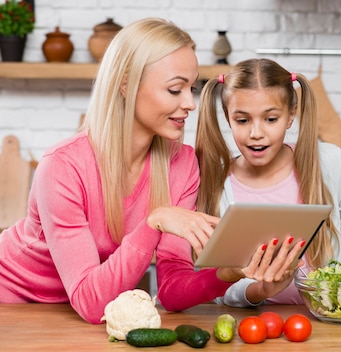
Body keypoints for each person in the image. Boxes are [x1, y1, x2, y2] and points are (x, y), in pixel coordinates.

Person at [0, 18, 302, 324]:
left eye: (192, 88)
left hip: (80, 311)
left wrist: (231, 272)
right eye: (175, 90)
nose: (190, 103)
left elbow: (171, 291)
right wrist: (154, 222)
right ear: (126, 84)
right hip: (13, 300)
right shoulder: (63, 166)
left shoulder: (181, 164)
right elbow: (90, 302)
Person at [195, 58, 341, 308]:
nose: (256, 133)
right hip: (256, 328)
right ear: (227, 117)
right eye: (243, 120)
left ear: (291, 115)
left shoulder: (328, 162)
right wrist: (258, 290)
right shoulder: (217, 182)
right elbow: (216, 284)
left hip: (330, 320)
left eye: (270, 119)